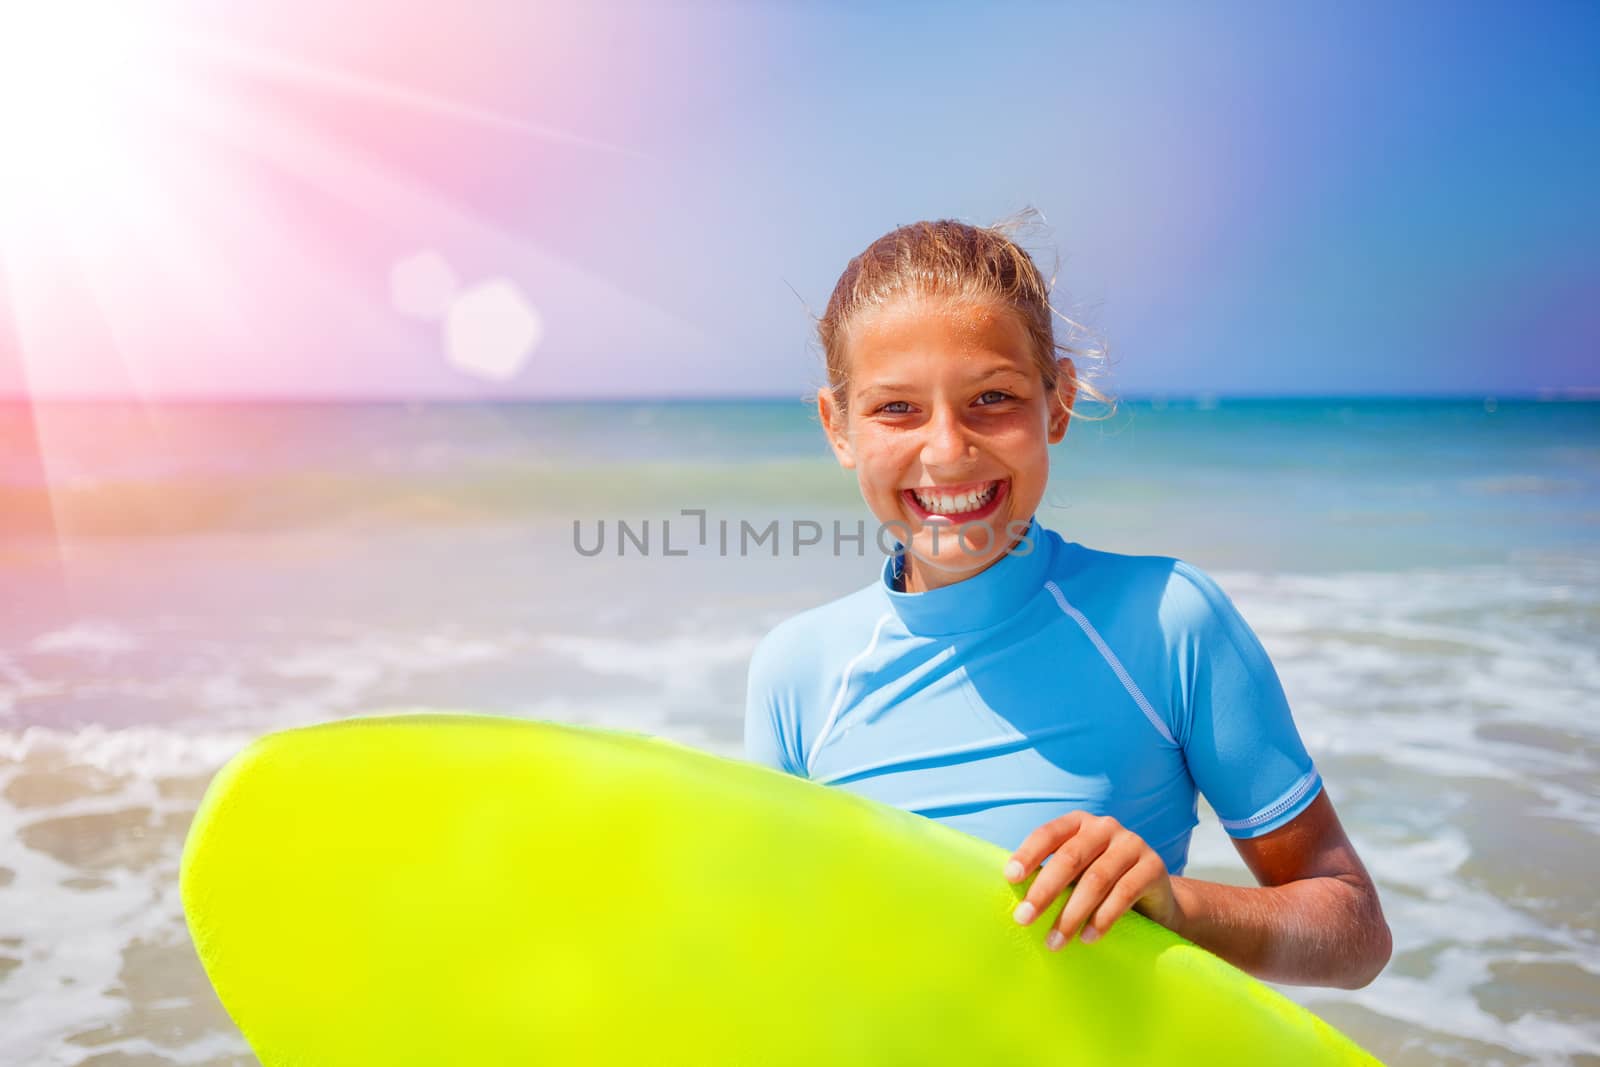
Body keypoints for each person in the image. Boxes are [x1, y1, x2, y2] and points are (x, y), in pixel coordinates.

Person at [743, 214, 1391, 989]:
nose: (947, 449)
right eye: (896, 409)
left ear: (1058, 402)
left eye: (992, 397)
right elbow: (775, 955)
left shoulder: (1165, 621)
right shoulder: (798, 672)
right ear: (837, 427)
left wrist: (1175, 907)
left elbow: (1355, 931)